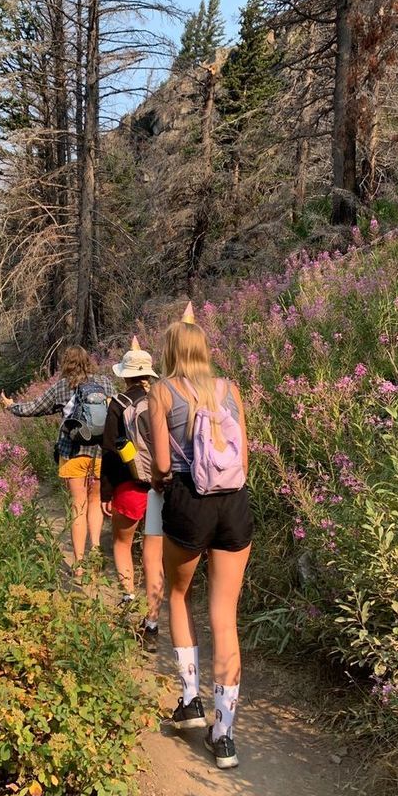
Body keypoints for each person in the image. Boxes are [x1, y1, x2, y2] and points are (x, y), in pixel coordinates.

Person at [148, 304, 253, 769]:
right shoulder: (231, 389)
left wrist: (161, 486)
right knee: (224, 614)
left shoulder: (162, 391)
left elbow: (163, 467)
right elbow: (244, 461)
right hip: (233, 505)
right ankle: (224, 736)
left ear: (171, 350)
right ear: (205, 350)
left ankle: (190, 698)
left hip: (189, 501)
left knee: (178, 592)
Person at [2, 346, 114, 577]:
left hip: (73, 453)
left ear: (67, 363)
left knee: (77, 506)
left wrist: (11, 405)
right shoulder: (105, 383)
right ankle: (95, 552)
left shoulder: (63, 386)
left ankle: (79, 564)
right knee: (95, 504)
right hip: (102, 454)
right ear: (88, 361)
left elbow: (34, 408)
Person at [100, 338, 164, 652]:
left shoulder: (119, 403)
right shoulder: (162, 400)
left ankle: (128, 599)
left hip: (129, 486)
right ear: (149, 375)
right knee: (153, 555)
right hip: (161, 486)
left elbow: (110, 451)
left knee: (122, 543)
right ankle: (152, 622)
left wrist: (106, 492)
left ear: (125, 375)